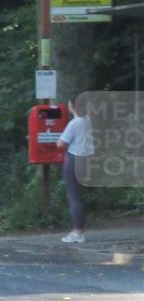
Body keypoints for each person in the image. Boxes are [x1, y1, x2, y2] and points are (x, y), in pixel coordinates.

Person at [57, 94, 94, 244]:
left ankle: (77, 232)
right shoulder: (89, 121)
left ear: (72, 105)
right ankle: (79, 230)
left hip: (73, 159)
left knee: (73, 197)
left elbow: (61, 143)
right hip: (86, 160)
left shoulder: (74, 123)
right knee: (78, 195)